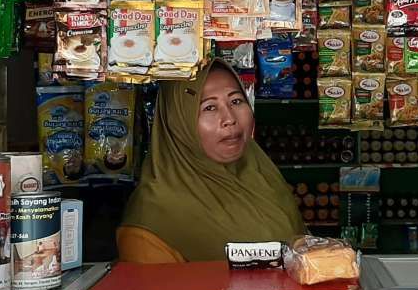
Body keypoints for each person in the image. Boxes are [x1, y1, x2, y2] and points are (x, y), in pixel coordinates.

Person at [119, 60, 304, 264]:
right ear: (178, 122)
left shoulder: (259, 170)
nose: (229, 118)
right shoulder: (151, 222)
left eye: (236, 101)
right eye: (209, 107)